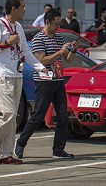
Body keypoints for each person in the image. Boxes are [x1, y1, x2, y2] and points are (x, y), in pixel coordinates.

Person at [0, 0, 44, 165]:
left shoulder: (18, 27)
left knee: (13, 116)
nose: (25, 10)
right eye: (23, 7)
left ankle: (6, 154)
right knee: (8, 113)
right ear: (13, 9)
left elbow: (25, 50)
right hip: (1, 74)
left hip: (17, 74)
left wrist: (40, 67)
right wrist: (7, 43)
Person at [13, 9, 76, 161]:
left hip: (58, 80)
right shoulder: (38, 39)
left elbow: (68, 59)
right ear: (47, 22)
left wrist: (72, 50)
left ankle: (58, 149)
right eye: (55, 24)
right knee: (38, 115)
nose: (57, 27)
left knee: (62, 116)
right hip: (43, 80)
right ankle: (20, 143)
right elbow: (41, 60)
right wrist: (59, 52)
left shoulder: (59, 38)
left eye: (59, 24)